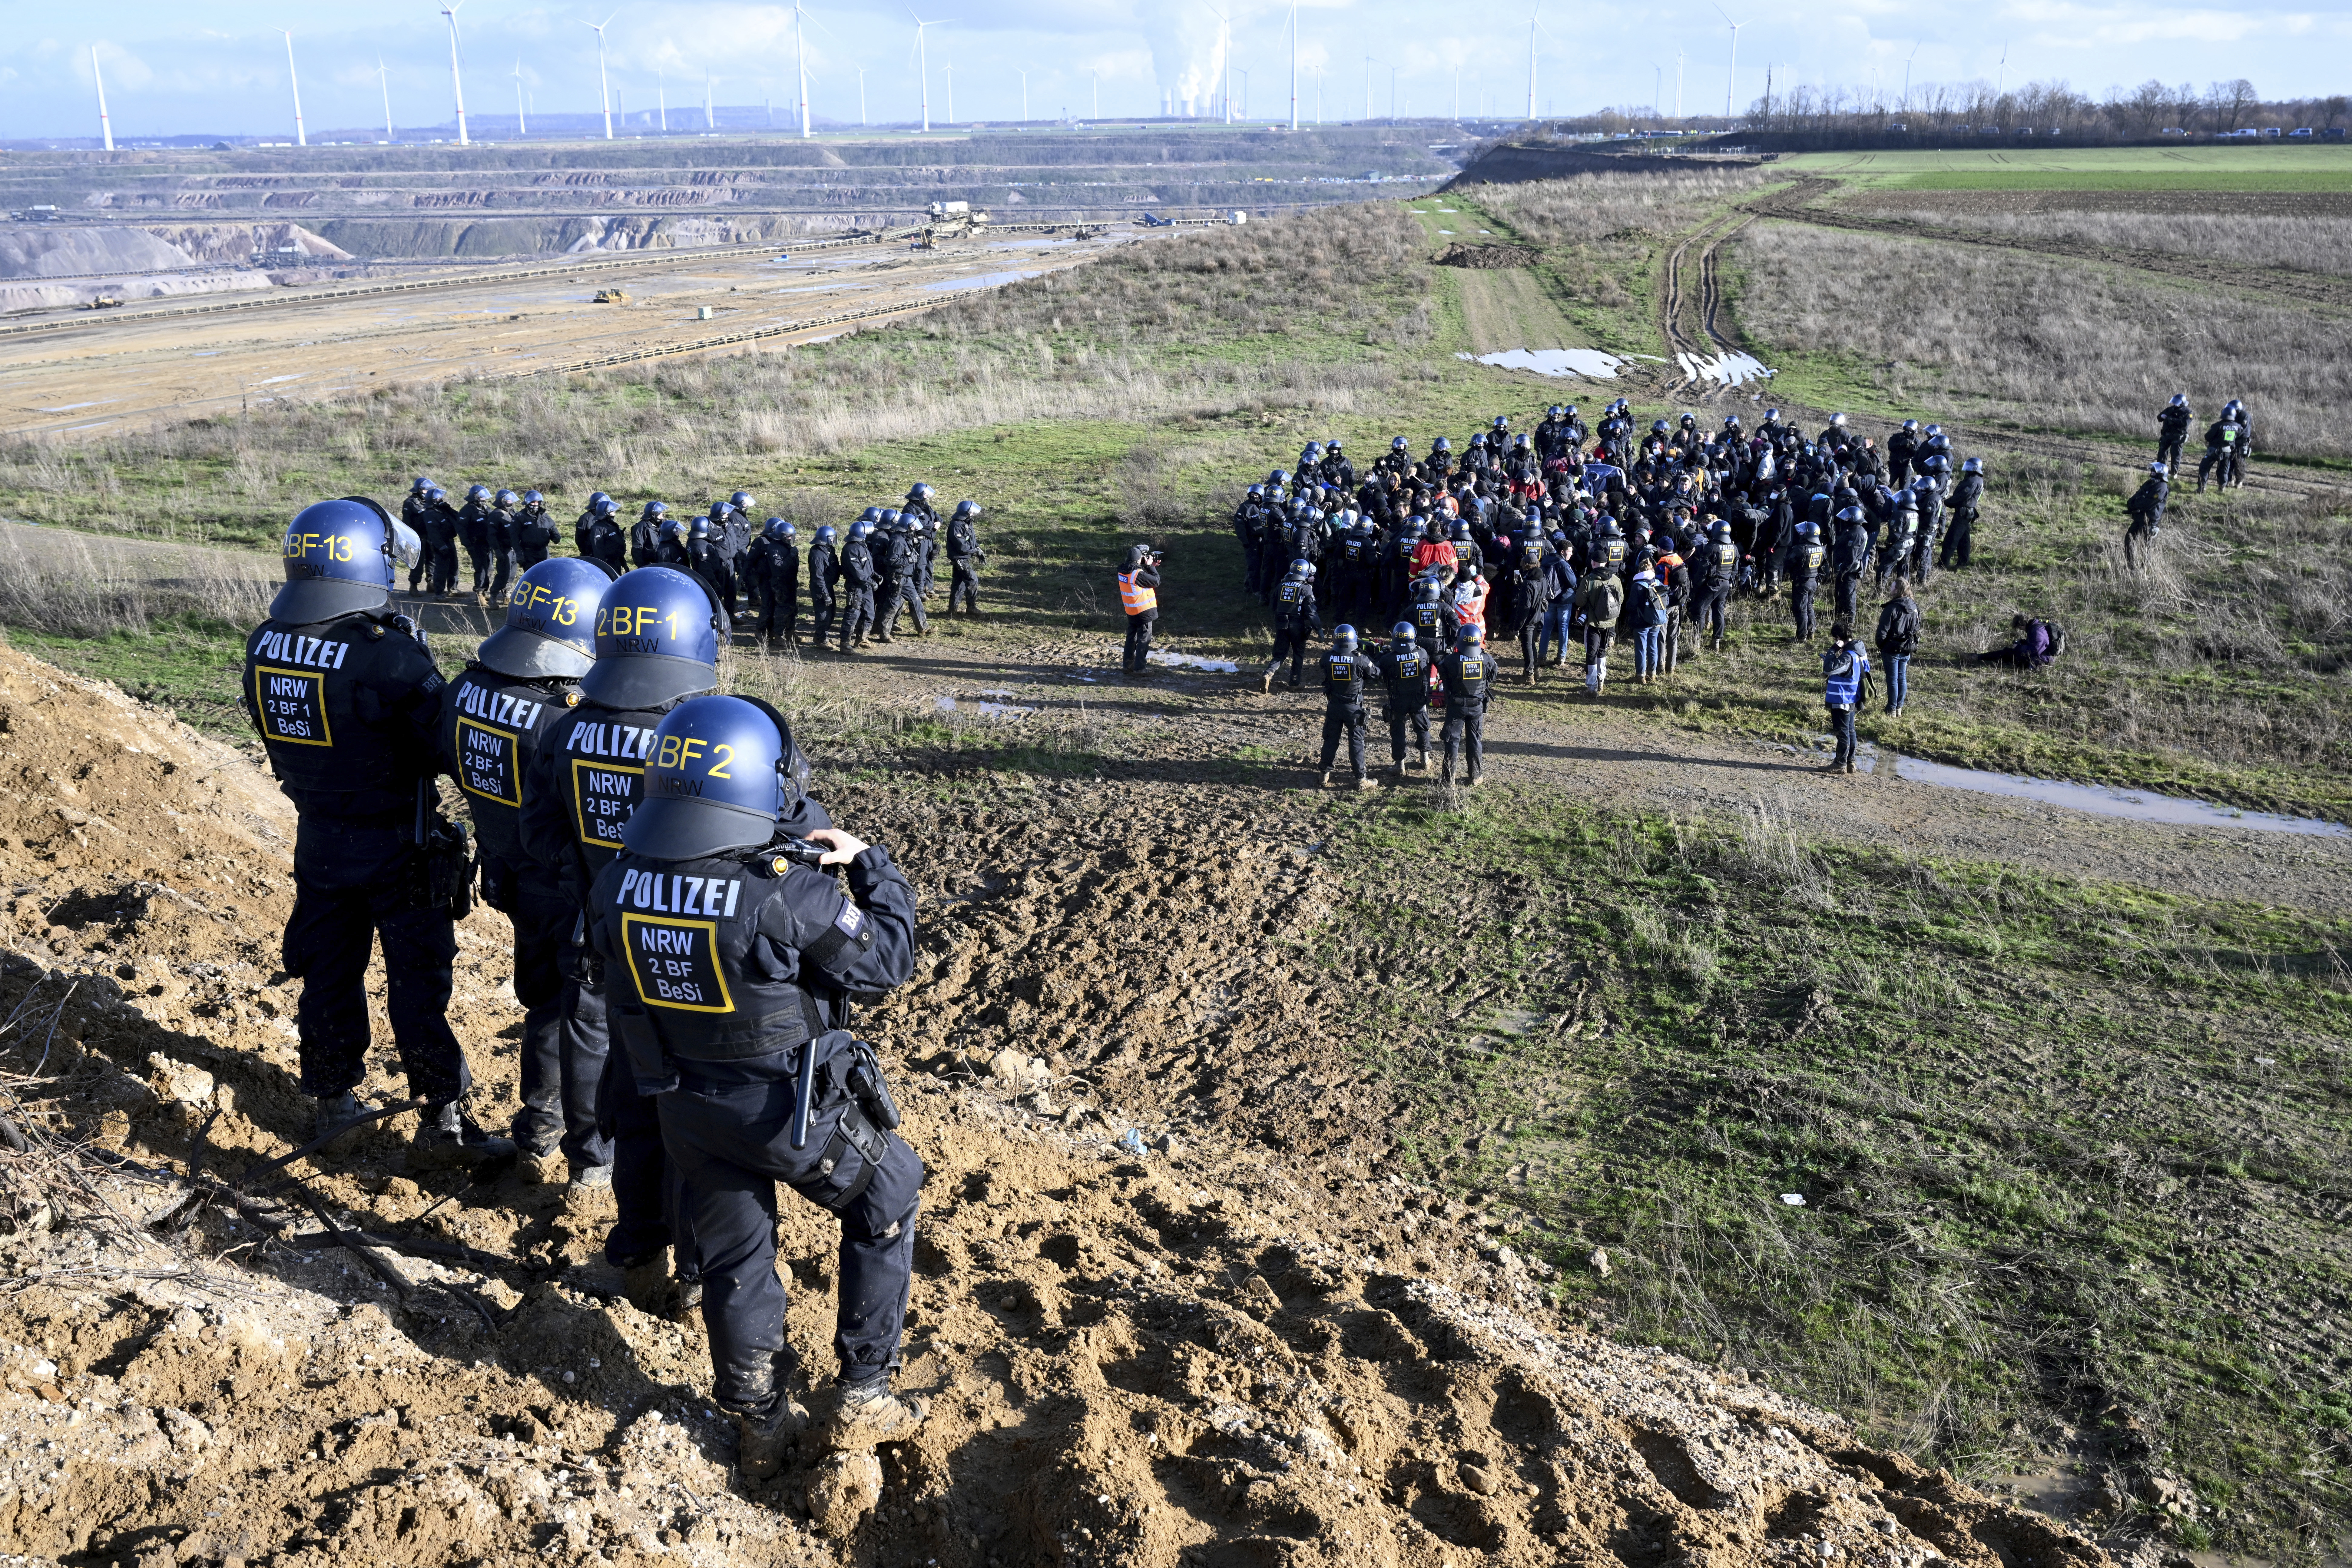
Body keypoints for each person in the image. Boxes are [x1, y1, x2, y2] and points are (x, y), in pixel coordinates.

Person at [584, 694, 926, 1471]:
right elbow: (886, 963)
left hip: (687, 1109)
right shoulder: (785, 890)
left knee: (739, 1260)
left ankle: (758, 1418)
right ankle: (866, 1390)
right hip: (787, 1109)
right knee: (891, 1190)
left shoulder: (618, 880)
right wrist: (868, 864)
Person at [243, 497, 512, 1164]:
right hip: (396, 843)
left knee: (329, 973)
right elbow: (444, 744)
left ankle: (332, 1102)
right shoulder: (384, 655)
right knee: (418, 982)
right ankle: (442, 1119)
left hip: (318, 839)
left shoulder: (265, 641)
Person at [521, 565, 729, 1313]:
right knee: (701, 1113)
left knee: (636, 1100)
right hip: (693, 954)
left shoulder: (567, 727)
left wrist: (594, 886)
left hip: (609, 943)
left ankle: (638, 1246)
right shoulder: (702, 738)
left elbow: (538, 833)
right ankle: (698, 1271)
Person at [440, 556, 620, 1186]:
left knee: (545, 1009)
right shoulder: (564, 714)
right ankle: (592, 1160)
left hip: (509, 876)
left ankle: (538, 1131)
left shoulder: (467, 688)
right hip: (568, 886)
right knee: (589, 1022)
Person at [1314, 625, 1376, 789]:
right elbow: (1376, 673)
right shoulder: (1360, 659)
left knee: (1330, 740)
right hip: (1354, 708)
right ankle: (1361, 780)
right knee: (1356, 743)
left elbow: (1323, 666)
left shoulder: (1327, 657)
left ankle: (1324, 775)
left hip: (1334, 706)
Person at [1438, 624, 1498, 787]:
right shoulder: (1486, 658)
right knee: (1475, 741)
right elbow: (1494, 672)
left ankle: (1448, 779)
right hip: (1477, 706)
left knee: (1452, 741)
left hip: (1456, 707)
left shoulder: (1451, 660)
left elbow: (1443, 673)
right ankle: (1476, 777)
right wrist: (1482, 686)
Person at [1379, 620, 1434, 778]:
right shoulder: (1422, 653)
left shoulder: (1388, 659)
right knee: (1423, 727)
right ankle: (1426, 760)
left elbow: (1377, 672)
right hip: (1418, 699)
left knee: (1398, 732)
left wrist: (1382, 653)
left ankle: (1400, 766)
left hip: (1398, 700)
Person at [1261, 560, 1321, 692]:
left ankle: (1268, 674)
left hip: (1281, 625)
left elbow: (1273, 607)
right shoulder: (1305, 589)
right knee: (1298, 654)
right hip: (1298, 626)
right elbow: (1312, 613)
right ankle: (1294, 683)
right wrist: (1319, 629)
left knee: (1279, 655)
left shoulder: (1280, 586)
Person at [1820, 623, 1869, 774]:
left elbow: (1828, 669)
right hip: (1853, 697)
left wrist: (1833, 650)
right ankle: (1850, 763)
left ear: (1838, 638)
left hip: (1842, 699)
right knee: (1850, 731)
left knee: (1842, 732)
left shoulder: (1848, 655)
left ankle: (1840, 764)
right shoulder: (1860, 652)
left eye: (1835, 640)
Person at [744, 518, 800, 649]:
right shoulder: (772, 547)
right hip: (774, 582)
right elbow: (779, 567)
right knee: (773, 608)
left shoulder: (785, 546)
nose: (791, 538)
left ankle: (789, 633)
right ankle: (769, 633)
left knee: (791, 609)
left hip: (788, 582)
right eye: (788, 536)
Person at [1873, 578, 1920, 717]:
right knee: (1902, 678)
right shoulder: (1914, 606)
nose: (1890, 588)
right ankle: (1899, 708)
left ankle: (1891, 709)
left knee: (1893, 679)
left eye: (1892, 586)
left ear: (1898, 590)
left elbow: (1882, 631)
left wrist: (1882, 645)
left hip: (1891, 649)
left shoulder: (1892, 608)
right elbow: (1917, 627)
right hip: (1907, 648)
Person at [1577, 565, 1623, 697]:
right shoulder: (1616, 579)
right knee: (1602, 651)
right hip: (1609, 623)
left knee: (1591, 653)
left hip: (1593, 622)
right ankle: (1601, 680)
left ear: (1593, 563)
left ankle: (1592, 687)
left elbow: (1580, 601)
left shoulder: (1589, 580)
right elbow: (1621, 600)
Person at [836, 520, 880, 652]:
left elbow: (867, 567)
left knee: (869, 613)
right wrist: (871, 582)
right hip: (856, 588)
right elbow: (858, 573)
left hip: (866, 587)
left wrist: (875, 575)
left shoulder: (863, 546)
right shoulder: (850, 549)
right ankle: (845, 643)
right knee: (852, 615)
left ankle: (862, 639)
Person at [1118, 544, 1161, 676]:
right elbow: (1156, 582)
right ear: (1139, 560)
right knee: (1144, 640)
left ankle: (1128, 666)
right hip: (1144, 612)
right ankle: (1140, 668)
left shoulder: (1122, 571)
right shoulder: (1138, 574)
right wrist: (1151, 567)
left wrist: (1145, 566)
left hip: (1131, 611)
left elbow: (1136, 573)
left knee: (1131, 639)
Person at [1695, 522, 1738, 653]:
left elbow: (1703, 571)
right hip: (1725, 584)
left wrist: (1697, 585)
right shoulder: (1734, 548)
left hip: (1711, 585)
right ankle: (1716, 643)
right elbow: (1736, 570)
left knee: (1700, 611)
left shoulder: (1712, 548)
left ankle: (1695, 642)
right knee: (1719, 612)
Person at [1626, 563, 1668, 684]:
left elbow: (1631, 606)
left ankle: (1640, 676)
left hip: (1641, 623)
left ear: (1640, 571)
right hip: (1656, 621)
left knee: (1641, 649)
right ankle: (1652, 675)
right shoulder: (1659, 584)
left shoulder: (1637, 586)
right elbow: (1666, 601)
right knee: (1653, 647)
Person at [1941, 459, 1984, 572]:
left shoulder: (1973, 481)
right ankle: (1963, 562)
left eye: (1970, 466)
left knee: (1951, 539)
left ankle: (1943, 563)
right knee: (1965, 540)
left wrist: (1947, 502)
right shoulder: (1977, 480)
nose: (1967, 468)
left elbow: (1963, 496)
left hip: (1963, 514)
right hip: (1967, 514)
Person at [1786, 519, 1825, 643]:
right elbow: (1823, 566)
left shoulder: (1800, 549)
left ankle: (1801, 637)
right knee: (1809, 608)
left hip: (1802, 583)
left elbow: (1788, 563)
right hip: (1814, 582)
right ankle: (1811, 633)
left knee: (1801, 610)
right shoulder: (1822, 549)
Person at [2125, 462, 2168, 569]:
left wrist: (2135, 506)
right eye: (2152, 470)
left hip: (2149, 521)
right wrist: (2131, 504)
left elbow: (2148, 503)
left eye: (2155, 471)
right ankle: (2131, 567)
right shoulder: (2149, 483)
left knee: (2145, 545)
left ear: (2161, 473)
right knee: (2129, 539)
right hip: (2139, 518)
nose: (2152, 473)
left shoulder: (2162, 487)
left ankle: (2144, 568)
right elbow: (2138, 495)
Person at [944, 500, 984, 616]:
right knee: (973, 580)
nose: (973, 514)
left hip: (964, 558)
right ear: (966, 512)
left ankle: (952, 610)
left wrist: (978, 549)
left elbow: (972, 541)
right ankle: (971, 608)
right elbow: (962, 546)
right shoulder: (956, 525)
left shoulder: (967, 523)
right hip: (959, 559)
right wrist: (974, 550)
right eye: (971, 512)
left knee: (959, 584)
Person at [457, 484, 496, 601]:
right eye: (481, 497)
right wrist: (468, 545)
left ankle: (485, 591)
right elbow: (461, 529)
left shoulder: (486, 508)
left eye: (484, 497)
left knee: (490, 569)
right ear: (475, 497)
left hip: (488, 544)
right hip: (476, 545)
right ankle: (479, 593)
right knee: (481, 569)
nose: (484, 499)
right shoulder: (467, 510)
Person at [1978, 614, 2056, 669]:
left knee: (2007, 654)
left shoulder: (2036, 631)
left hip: (2043, 659)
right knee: (2007, 653)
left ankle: (1979, 658)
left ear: (2023, 624)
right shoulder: (2035, 627)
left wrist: (2019, 648)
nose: (2021, 630)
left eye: (2020, 628)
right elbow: (2037, 645)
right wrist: (2023, 642)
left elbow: (2036, 650)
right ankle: (1980, 657)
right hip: (2041, 656)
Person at [401, 477, 438, 594]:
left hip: (430, 535)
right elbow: (406, 523)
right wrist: (409, 538)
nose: (427, 492)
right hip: (417, 537)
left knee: (432, 559)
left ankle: (431, 583)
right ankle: (414, 586)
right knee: (417, 562)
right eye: (426, 490)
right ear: (420, 490)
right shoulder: (410, 502)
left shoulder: (429, 502)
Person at [807, 525, 841, 647]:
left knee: (831, 613)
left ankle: (823, 637)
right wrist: (825, 594)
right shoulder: (817, 554)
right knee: (824, 615)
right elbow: (818, 576)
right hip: (821, 588)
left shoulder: (827, 550)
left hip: (828, 586)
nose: (833, 540)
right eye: (831, 538)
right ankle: (821, 639)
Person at [2157, 394, 2192, 473]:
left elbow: (2185, 423)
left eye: (2177, 402)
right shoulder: (2170, 409)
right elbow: (2159, 418)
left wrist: (2171, 419)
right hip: (2167, 435)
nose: (2175, 404)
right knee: (2162, 453)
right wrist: (2161, 416)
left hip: (2178, 437)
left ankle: (2174, 473)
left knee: (2176, 456)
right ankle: (2160, 471)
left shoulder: (2187, 412)